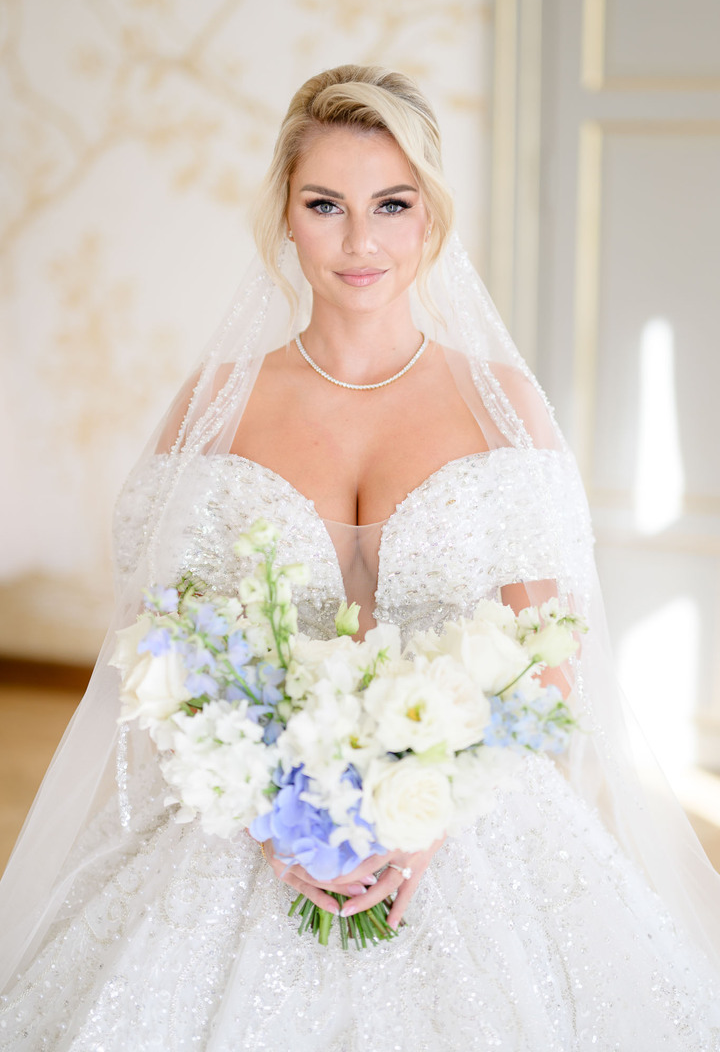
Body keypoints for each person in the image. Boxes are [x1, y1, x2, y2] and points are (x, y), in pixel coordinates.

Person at [1, 64, 719, 1051]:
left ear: (431, 218)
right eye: (325, 205)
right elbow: (157, 641)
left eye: (392, 203)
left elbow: (552, 652)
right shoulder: (221, 403)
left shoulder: (499, 401)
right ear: (286, 220)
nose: (360, 240)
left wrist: (431, 811)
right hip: (247, 820)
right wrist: (267, 815)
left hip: (467, 818)